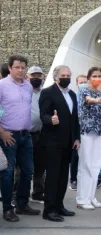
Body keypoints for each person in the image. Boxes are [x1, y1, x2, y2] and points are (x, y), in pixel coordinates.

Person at [0, 55, 40, 222]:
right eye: (17, 67)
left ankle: (22, 204)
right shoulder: (2, 86)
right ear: (10, 68)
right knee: (8, 173)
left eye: (23, 67)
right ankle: (8, 208)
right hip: (8, 136)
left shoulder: (28, 87)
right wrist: (1, 131)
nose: (21, 70)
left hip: (26, 135)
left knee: (28, 171)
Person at [39, 65, 80, 222]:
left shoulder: (72, 94)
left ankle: (59, 206)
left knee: (63, 176)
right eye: (63, 75)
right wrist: (51, 119)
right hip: (52, 142)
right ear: (56, 77)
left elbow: (75, 119)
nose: (66, 77)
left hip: (68, 142)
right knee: (53, 176)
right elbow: (43, 115)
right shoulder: (47, 93)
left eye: (68, 75)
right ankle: (49, 210)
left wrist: (76, 138)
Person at [76, 67, 101, 210]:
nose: (97, 78)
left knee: (95, 165)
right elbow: (88, 101)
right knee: (85, 165)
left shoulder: (100, 92)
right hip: (86, 131)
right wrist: (96, 100)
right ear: (88, 77)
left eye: (99, 76)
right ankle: (82, 199)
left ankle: (91, 196)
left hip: (98, 132)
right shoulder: (83, 90)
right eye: (94, 75)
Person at [27, 66, 45, 204]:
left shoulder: (44, 93)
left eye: (39, 76)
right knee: (24, 167)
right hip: (26, 134)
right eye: (34, 75)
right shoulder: (24, 91)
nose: (36, 78)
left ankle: (38, 193)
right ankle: (19, 194)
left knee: (40, 165)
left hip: (41, 133)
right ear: (28, 76)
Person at [69, 75, 88, 191]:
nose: (83, 84)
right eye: (81, 82)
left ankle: (85, 179)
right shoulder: (73, 97)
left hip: (88, 131)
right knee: (75, 156)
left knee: (86, 157)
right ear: (77, 84)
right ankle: (73, 179)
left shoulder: (91, 95)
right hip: (76, 130)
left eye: (85, 82)